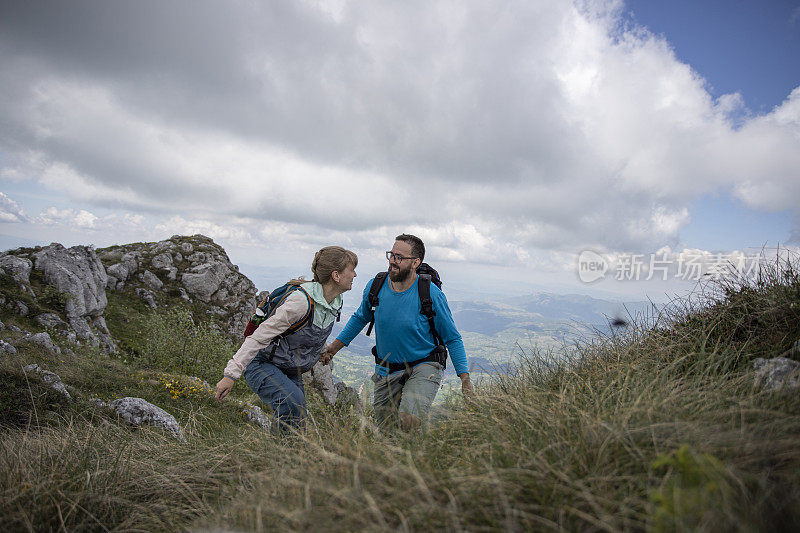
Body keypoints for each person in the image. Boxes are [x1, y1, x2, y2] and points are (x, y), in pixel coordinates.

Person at [321, 234, 472, 431]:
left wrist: (465, 379)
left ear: (415, 262)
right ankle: (410, 455)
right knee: (386, 435)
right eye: (391, 255)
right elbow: (360, 318)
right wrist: (333, 348)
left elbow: (452, 337)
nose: (393, 261)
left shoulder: (431, 294)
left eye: (399, 257)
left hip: (424, 364)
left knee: (408, 419)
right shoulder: (376, 287)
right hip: (387, 369)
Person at [215, 246, 358, 432]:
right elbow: (258, 337)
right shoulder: (301, 302)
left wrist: (322, 351)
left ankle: (285, 457)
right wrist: (230, 375)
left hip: (291, 367)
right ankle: (281, 458)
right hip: (262, 362)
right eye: (352, 270)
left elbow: (309, 331)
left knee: (297, 418)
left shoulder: (333, 303)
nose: (355, 275)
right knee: (294, 405)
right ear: (336, 276)